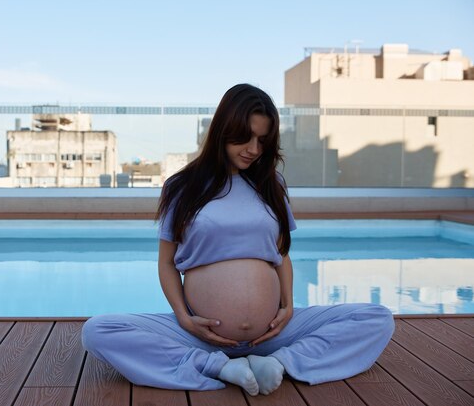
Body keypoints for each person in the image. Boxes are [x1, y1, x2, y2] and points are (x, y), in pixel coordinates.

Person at [82, 84, 394, 396]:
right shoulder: (182, 187)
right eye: (245, 137)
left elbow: (281, 255)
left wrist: (287, 307)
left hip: (272, 334)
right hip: (200, 334)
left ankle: (280, 361)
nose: (254, 149)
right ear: (223, 130)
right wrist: (184, 318)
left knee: (376, 318)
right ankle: (214, 365)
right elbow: (166, 263)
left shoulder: (272, 184)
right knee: (98, 331)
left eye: (262, 140)